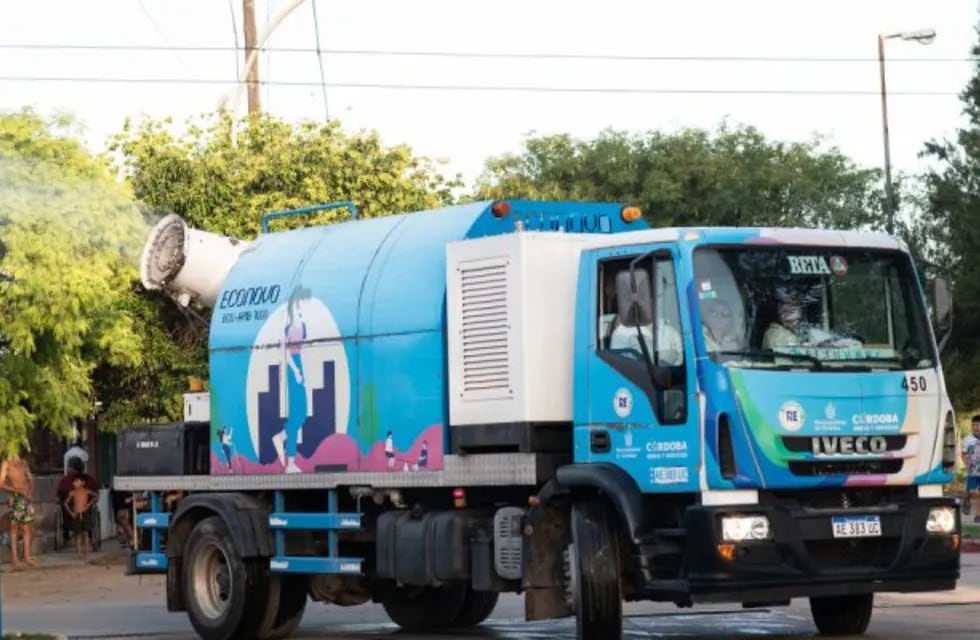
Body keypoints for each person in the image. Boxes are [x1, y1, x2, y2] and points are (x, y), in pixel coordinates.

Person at [608, 269, 683, 366]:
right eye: (643, 295)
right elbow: (624, 367)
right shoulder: (621, 333)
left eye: (651, 294)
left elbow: (682, 359)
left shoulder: (666, 328)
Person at [0, 454, 36, 569]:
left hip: (25, 498)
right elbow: (1, 483)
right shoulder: (6, 463)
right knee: (14, 528)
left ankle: (27, 557)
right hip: (16, 497)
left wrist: (29, 492)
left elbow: (30, 478)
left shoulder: (23, 462)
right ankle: (15, 559)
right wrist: (15, 490)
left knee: (27, 528)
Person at [64, 475, 98, 558]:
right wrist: (71, 513)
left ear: (82, 483)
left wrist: (89, 504)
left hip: (85, 513)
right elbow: (65, 503)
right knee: (77, 534)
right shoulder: (72, 492)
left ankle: (85, 552)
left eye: (77, 481)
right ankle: (79, 553)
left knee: (85, 533)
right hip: (77, 514)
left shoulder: (86, 491)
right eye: (74, 482)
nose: (74, 483)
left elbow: (96, 495)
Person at [962, 415, 980, 522]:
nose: (976, 427)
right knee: (973, 492)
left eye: (978, 425)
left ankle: (978, 515)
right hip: (972, 470)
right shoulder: (967, 439)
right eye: (973, 425)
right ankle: (967, 498)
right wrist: (966, 463)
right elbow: (963, 453)